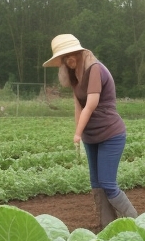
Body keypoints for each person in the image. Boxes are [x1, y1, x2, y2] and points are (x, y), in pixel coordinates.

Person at [43, 34, 137, 228]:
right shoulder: (74, 75)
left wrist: (78, 133)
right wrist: (79, 134)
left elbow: (91, 104)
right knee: (97, 185)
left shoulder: (94, 69)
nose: (69, 59)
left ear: (80, 52)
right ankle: (107, 227)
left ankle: (136, 223)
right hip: (91, 137)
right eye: (64, 57)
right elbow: (79, 106)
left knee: (108, 184)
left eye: (71, 54)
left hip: (111, 134)